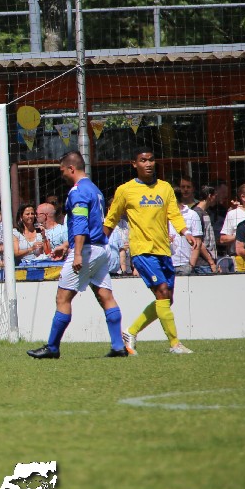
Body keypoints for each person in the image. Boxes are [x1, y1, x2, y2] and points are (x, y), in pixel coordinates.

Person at [26, 152, 129, 359]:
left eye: (62, 170)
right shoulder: (95, 190)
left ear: (71, 168)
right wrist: (67, 244)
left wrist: (78, 253)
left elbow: (81, 224)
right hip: (101, 249)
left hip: (86, 250)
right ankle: (119, 346)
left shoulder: (78, 191)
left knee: (63, 297)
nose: (61, 174)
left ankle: (52, 347)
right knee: (106, 296)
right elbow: (93, 224)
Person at [103, 148, 199, 355]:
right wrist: (100, 243)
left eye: (151, 160)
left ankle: (130, 332)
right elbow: (111, 219)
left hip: (163, 250)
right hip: (142, 251)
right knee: (162, 291)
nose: (148, 164)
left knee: (166, 299)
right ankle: (175, 344)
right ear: (134, 164)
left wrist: (185, 232)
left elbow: (174, 214)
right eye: (143, 160)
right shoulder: (125, 190)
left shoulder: (165, 188)